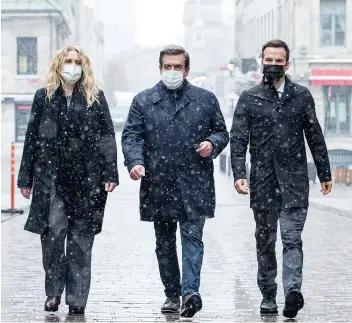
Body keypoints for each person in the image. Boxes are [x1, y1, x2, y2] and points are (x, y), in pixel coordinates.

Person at [121, 45, 229, 318]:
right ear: (160, 69)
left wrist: (211, 143)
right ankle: (172, 294)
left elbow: (221, 132)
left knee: (193, 238)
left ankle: (190, 292)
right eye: (167, 67)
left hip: (195, 181)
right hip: (159, 180)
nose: (172, 71)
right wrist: (136, 162)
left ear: (186, 69)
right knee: (165, 242)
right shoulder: (144, 101)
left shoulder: (205, 99)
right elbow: (132, 136)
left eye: (177, 67)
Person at [230, 39, 332, 319]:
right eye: (269, 60)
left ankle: (292, 293)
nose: (273, 65)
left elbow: (315, 136)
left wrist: (324, 172)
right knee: (265, 241)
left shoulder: (301, 96)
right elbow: (237, 139)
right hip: (262, 181)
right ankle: (268, 295)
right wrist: (239, 173)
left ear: (287, 64)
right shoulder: (249, 98)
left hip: (295, 181)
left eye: (278, 61)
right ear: (261, 60)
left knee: (292, 238)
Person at [18, 45, 119, 315]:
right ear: (58, 65)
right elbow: (32, 138)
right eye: (68, 61)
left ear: (84, 66)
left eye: (77, 61)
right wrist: (25, 177)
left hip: (88, 181)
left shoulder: (95, 98)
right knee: (51, 236)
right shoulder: (44, 97)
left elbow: (107, 138)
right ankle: (53, 292)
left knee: (80, 241)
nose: (72, 66)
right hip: (51, 178)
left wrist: (110, 173)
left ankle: (77, 297)